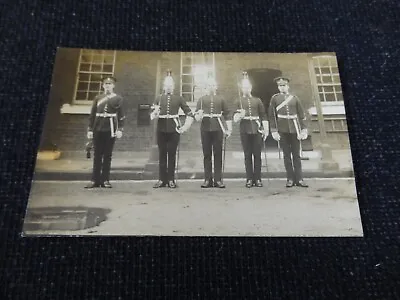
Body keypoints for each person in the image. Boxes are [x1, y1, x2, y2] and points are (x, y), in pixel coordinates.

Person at [150, 70, 195, 188]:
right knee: (162, 154)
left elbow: (189, 113)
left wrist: (184, 127)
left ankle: (171, 180)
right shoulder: (158, 98)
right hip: (161, 129)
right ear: (164, 87)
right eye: (166, 86)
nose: (168, 88)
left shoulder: (179, 98)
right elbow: (151, 115)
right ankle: (161, 179)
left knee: (172, 154)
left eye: (170, 86)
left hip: (174, 130)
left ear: (173, 87)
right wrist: (155, 112)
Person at [85, 76, 125, 189]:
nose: (108, 85)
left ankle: (105, 180)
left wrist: (120, 129)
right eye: (106, 84)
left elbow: (121, 116)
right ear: (103, 86)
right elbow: (92, 115)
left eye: (110, 84)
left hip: (110, 129)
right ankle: (94, 180)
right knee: (97, 155)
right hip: (98, 128)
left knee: (107, 155)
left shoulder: (118, 98)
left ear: (113, 86)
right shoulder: (98, 98)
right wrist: (90, 129)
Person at [268, 76, 309, 188]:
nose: (282, 87)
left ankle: (299, 178)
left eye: (284, 85)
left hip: (295, 129)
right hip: (282, 130)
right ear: (278, 87)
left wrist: (304, 129)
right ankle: (290, 179)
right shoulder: (274, 99)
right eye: (280, 86)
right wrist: (274, 131)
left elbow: (302, 115)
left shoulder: (295, 98)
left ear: (288, 86)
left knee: (296, 155)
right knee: (286, 155)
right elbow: (272, 117)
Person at [194, 76, 233, 188]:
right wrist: (199, 115)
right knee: (207, 154)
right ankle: (207, 179)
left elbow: (227, 114)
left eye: (213, 85)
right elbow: (196, 116)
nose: (211, 87)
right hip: (205, 128)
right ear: (206, 87)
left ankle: (218, 179)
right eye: (209, 85)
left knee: (218, 154)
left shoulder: (221, 99)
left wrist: (228, 129)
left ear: (216, 86)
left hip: (218, 128)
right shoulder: (201, 100)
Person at [232, 72, 269, 188]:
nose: (246, 89)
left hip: (257, 129)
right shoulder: (238, 101)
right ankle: (249, 178)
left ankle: (257, 178)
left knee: (257, 155)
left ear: (251, 88)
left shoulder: (257, 100)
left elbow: (263, 115)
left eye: (248, 87)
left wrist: (266, 130)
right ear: (241, 89)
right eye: (244, 87)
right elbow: (234, 118)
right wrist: (240, 115)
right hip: (245, 129)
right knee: (247, 155)